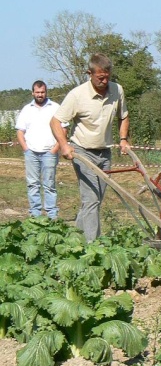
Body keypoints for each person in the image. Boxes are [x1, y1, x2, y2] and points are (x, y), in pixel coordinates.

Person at [50, 53, 131, 241]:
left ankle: (73, 238)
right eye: (100, 77)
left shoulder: (117, 90)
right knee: (91, 200)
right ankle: (92, 248)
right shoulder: (77, 95)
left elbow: (124, 116)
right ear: (89, 73)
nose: (104, 81)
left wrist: (123, 139)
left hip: (105, 152)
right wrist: (64, 145)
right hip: (82, 151)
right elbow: (55, 121)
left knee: (95, 200)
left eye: (107, 77)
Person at [15, 80, 65, 218]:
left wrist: (55, 149)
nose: (40, 94)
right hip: (31, 153)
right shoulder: (26, 109)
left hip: (49, 152)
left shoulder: (55, 107)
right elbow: (20, 131)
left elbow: (63, 129)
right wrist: (26, 148)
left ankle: (51, 215)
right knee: (32, 184)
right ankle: (35, 215)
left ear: (46, 92)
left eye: (42, 92)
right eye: (37, 92)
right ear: (33, 93)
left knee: (49, 184)